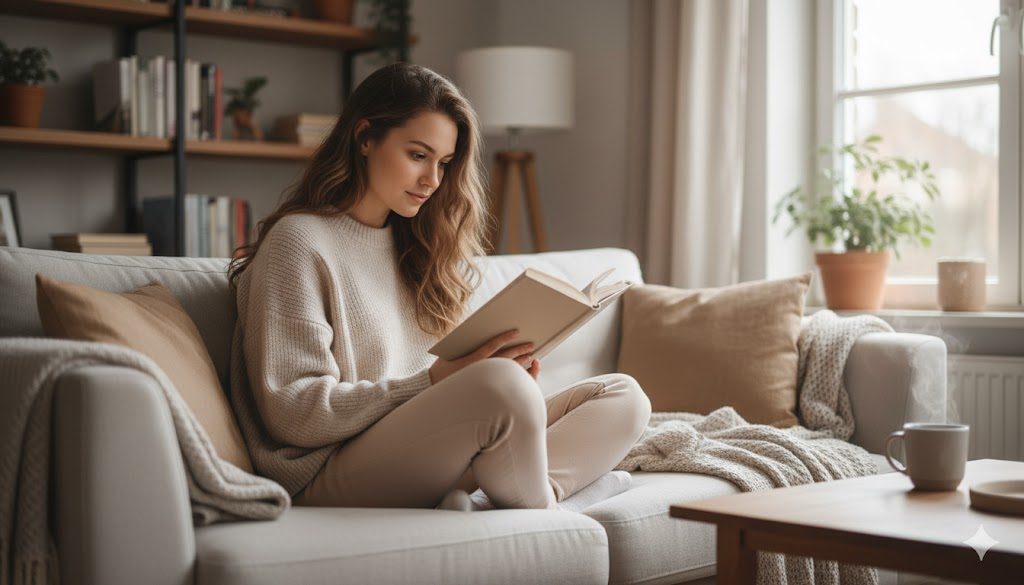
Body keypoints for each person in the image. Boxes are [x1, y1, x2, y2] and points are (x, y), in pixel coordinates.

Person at [227, 62, 651, 511]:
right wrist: (437, 381)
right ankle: (549, 501)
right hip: (329, 471)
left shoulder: (417, 246)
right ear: (365, 137)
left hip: (427, 451)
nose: (432, 180)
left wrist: (502, 373)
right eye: (417, 155)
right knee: (500, 386)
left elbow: (459, 394)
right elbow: (294, 414)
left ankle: (500, 497)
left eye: (444, 163)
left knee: (624, 397)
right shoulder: (298, 242)